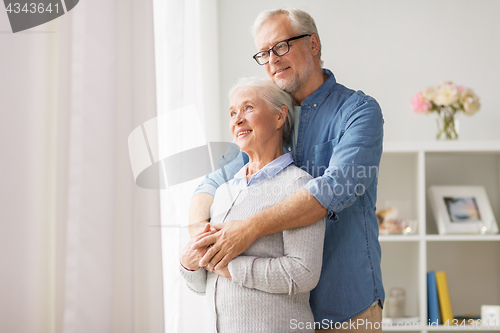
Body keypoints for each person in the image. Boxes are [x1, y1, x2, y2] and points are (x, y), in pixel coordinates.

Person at [189, 8, 385, 332]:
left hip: (348, 305)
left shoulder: (359, 111)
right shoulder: (270, 121)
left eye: (281, 46)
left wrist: (248, 229)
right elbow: (210, 184)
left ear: (314, 44)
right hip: (284, 311)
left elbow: (331, 190)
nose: (272, 60)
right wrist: (200, 236)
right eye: (263, 53)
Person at [180, 77, 326, 333]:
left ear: (280, 117)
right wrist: (188, 264)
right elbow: (203, 283)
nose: (237, 119)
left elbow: (303, 273)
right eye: (233, 112)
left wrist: (231, 268)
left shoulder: (299, 185)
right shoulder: (224, 192)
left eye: (248, 108)